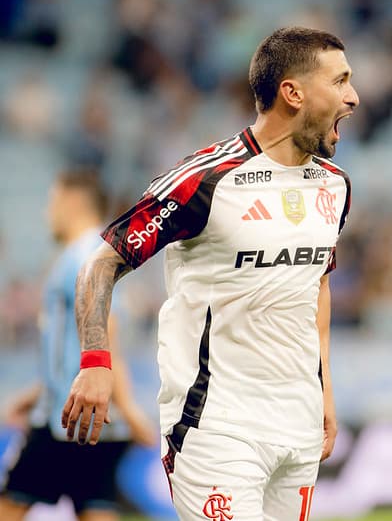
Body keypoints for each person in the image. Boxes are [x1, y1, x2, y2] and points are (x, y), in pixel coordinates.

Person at [61, 26, 358, 520]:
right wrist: (95, 361)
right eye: (341, 80)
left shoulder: (334, 186)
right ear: (293, 92)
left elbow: (316, 287)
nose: (353, 96)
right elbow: (102, 262)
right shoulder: (206, 179)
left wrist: (325, 392)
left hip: (299, 422)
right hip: (215, 423)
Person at [0, 170, 157, 521]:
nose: (47, 213)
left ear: (72, 202)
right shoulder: (94, 252)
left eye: (52, 202)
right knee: (95, 507)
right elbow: (75, 344)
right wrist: (34, 394)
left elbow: (107, 327)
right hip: (92, 418)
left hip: (66, 418)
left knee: (9, 505)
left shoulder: (85, 255)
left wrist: (129, 406)